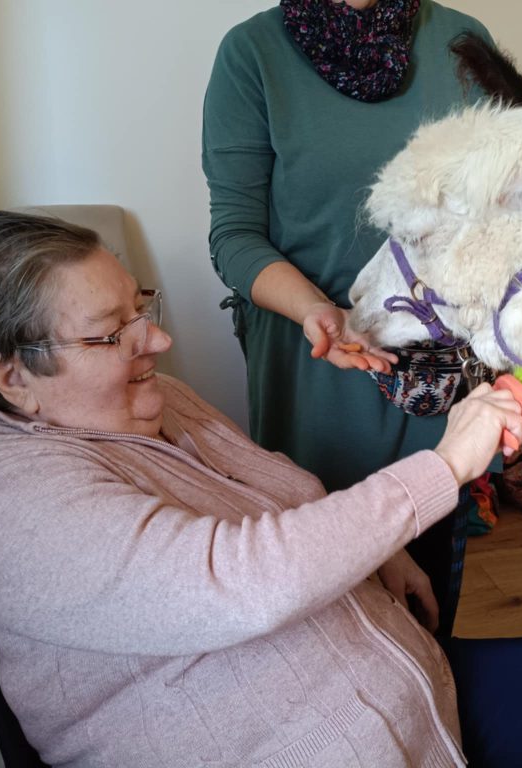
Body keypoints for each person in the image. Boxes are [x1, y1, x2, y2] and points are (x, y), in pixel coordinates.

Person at [0, 211, 522, 767]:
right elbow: (237, 581)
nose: (158, 341)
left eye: (140, 308)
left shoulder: (158, 400)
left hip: (409, 706)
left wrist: (378, 549)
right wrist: (444, 466)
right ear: (12, 377)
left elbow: (283, 489)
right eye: (110, 333)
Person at [203, 0, 496, 636]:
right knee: (323, 596)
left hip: (434, 361)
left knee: (427, 591)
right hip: (317, 355)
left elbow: (497, 208)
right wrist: (315, 308)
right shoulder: (253, 53)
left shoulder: (461, 40)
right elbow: (234, 235)